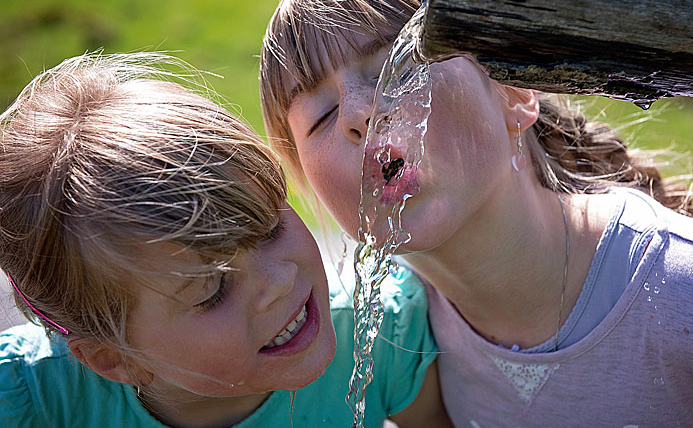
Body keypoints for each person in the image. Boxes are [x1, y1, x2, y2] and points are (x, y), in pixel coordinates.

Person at [258, 0, 693, 427]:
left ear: (515, 94)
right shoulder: (399, 338)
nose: (359, 113)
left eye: (397, 69)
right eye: (321, 116)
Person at [0, 52, 452, 427]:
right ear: (114, 358)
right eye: (213, 290)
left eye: (270, 228)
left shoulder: (379, 338)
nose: (279, 280)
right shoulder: (35, 403)